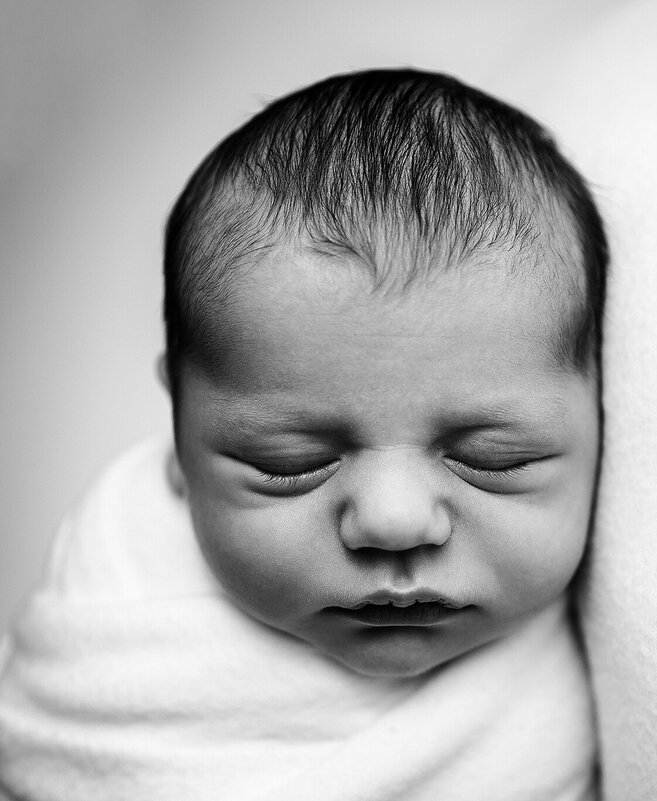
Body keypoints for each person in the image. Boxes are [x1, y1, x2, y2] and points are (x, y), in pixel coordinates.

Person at [0, 68, 606, 800]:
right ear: (178, 440)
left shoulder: (625, 638)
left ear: (602, 422)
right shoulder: (111, 605)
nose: (392, 520)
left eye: (492, 459)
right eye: (290, 462)